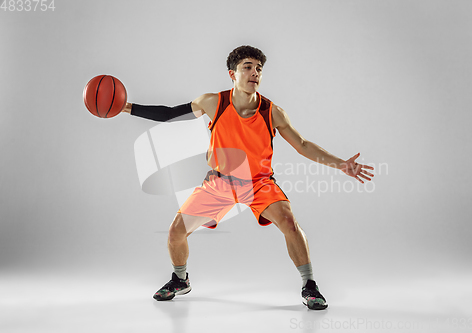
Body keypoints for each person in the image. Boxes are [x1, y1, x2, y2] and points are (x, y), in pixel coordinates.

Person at [121, 45, 374, 310]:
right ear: (232, 73)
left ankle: (309, 286)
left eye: (259, 69)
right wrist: (128, 107)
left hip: (259, 183)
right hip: (220, 183)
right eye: (248, 67)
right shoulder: (212, 102)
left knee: (289, 222)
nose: (254, 73)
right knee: (175, 232)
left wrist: (341, 164)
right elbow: (171, 114)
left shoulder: (272, 112)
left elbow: (302, 144)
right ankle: (180, 279)